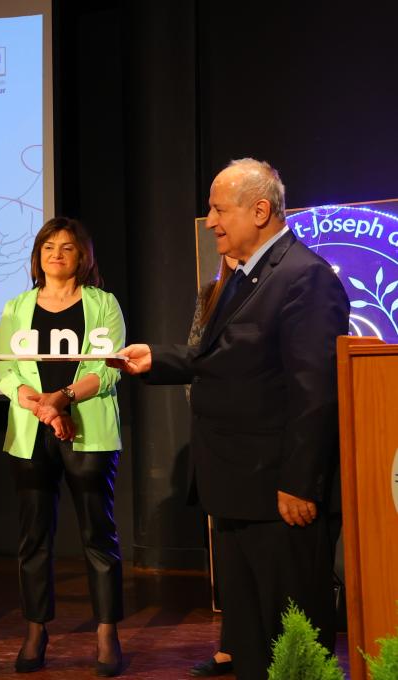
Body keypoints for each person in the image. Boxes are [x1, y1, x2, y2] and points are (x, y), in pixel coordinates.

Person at [111, 159, 349, 680]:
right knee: (250, 642)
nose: (212, 222)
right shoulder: (243, 276)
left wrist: (299, 483)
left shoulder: (304, 278)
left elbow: (315, 394)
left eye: (219, 210)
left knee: (291, 642)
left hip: (280, 497)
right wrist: (158, 359)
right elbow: (224, 357)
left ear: (259, 211)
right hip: (237, 489)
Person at [0, 217, 126, 675]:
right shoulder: (16, 307)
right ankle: (35, 630)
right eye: (48, 246)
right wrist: (46, 409)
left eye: (67, 247)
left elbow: (108, 368)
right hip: (32, 433)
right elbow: (6, 372)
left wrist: (65, 397)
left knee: (98, 535)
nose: (56, 254)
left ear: (82, 256)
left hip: (90, 433)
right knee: (34, 538)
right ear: (38, 255)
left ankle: (107, 633)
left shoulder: (103, 303)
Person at [185, 255, 238, 678]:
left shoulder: (287, 283)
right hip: (219, 438)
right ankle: (232, 646)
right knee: (229, 551)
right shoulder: (210, 294)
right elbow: (193, 359)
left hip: (264, 438)